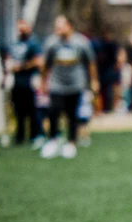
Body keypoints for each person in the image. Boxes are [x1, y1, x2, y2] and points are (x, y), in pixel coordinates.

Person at [40, 16, 97, 159]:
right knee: (54, 111)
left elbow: (90, 62)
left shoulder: (81, 42)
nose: (58, 29)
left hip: (75, 84)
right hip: (56, 84)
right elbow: (45, 64)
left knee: (72, 114)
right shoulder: (52, 43)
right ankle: (53, 140)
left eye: (61, 26)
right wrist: (43, 82)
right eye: (56, 26)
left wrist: (94, 80)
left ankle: (71, 143)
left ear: (69, 26)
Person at [7, 19, 44, 147]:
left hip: (30, 82)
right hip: (17, 83)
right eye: (20, 27)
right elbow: (9, 59)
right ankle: (19, 135)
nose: (22, 30)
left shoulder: (34, 43)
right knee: (18, 110)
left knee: (32, 110)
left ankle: (35, 135)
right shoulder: (14, 44)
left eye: (24, 27)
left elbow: (39, 61)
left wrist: (23, 67)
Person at [94, 28, 120, 113]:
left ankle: (109, 107)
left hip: (109, 70)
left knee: (110, 90)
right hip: (102, 71)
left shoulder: (112, 45)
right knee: (101, 90)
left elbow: (115, 58)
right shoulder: (100, 44)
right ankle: (101, 107)